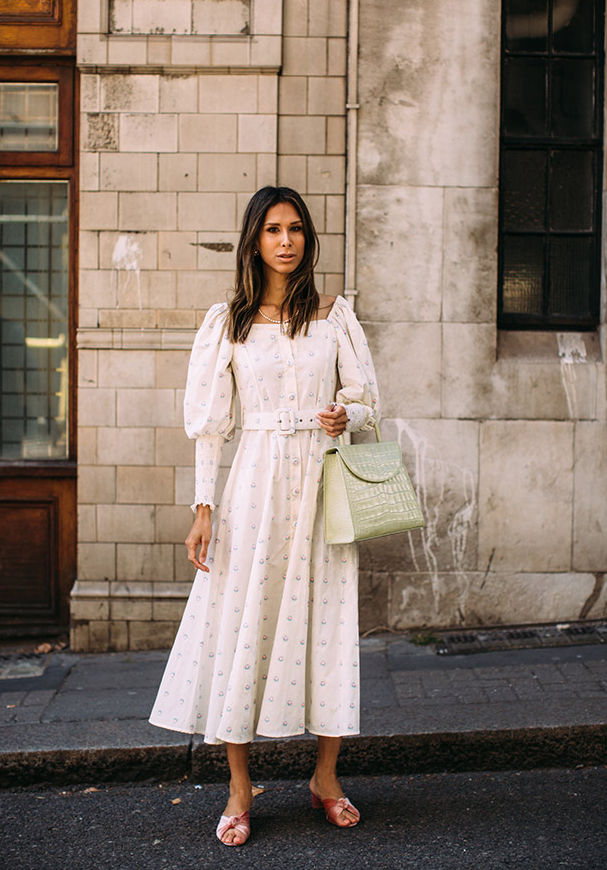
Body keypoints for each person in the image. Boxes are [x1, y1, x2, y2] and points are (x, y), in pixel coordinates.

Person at [149, 186, 380, 845]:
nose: (287, 240)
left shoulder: (335, 315)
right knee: (241, 626)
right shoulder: (228, 322)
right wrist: (203, 508)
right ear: (254, 241)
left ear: (307, 239)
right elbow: (210, 428)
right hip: (253, 489)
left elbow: (368, 402)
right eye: (273, 229)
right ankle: (238, 786)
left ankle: (326, 777)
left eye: (297, 229)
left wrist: (347, 416)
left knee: (328, 626)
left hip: (320, 485)